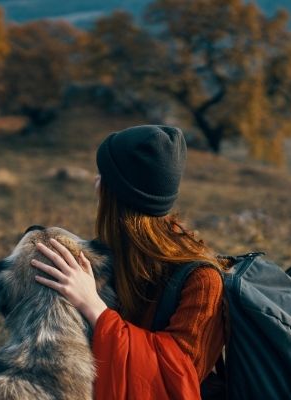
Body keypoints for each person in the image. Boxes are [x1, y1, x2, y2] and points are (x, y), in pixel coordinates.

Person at [30, 125, 227, 399]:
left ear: (118, 195)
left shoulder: (203, 281)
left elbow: (179, 378)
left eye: (103, 177)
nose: (95, 183)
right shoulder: (109, 256)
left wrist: (94, 307)